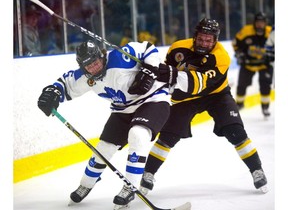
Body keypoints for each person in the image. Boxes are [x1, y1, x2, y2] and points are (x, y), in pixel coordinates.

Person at [37, 40, 178, 209]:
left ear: (101, 56)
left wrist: (150, 70)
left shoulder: (120, 56)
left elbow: (147, 48)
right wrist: (52, 92)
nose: (93, 68)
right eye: (88, 66)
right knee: (104, 148)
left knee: (138, 134)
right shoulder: (86, 76)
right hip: (122, 109)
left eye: (95, 62)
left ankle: (130, 186)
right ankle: (86, 184)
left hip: (153, 100)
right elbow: (65, 84)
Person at [138, 18, 268, 196]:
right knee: (168, 136)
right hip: (186, 99)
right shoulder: (178, 48)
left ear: (215, 40)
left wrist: (170, 74)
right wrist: (152, 71)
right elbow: (166, 77)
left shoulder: (221, 56)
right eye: (201, 39)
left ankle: (256, 170)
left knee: (235, 131)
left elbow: (200, 83)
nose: (204, 43)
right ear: (195, 36)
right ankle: (148, 174)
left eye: (209, 40)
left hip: (216, 95)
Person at [232, 12, 273, 117]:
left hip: (265, 65)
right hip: (248, 64)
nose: (260, 25)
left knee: (265, 85)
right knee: (242, 85)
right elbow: (235, 43)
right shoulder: (246, 30)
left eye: (262, 22)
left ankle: (265, 107)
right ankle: (239, 104)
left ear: (265, 23)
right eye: (258, 22)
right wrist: (239, 54)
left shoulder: (270, 32)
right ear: (254, 23)